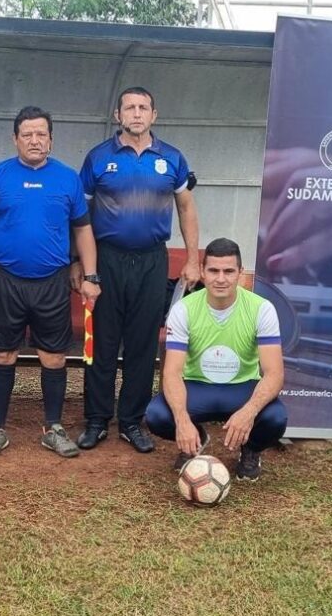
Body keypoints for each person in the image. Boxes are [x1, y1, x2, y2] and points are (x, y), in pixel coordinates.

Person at [0, 106, 100, 459]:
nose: (34, 140)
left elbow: (82, 230)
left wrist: (91, 276)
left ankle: (53, 428)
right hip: (7, 281)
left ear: (50, 139)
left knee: (53, 358)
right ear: (15, 139)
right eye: (27, 134)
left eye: (41, 134)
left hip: (52, 282)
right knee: (4, 355)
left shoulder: (68, 179)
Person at [74, 86, 200, 453]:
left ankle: (131, 421)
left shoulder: (172, 159)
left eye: (143, 107)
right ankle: (97, 420)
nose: (136, 113)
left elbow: (187, 209)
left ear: (154, 115)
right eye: (129, 107)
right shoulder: (98, 158)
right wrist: (80, 265)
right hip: (106, 259)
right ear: (118, 115)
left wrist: (193, 259)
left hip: (151, 260)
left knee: (144, 344)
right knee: (103, 342)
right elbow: (79, 217)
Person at [144, 238, 287, 480]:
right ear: (202, 272)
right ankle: (195, 441)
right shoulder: (184, 309)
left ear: (240, 274)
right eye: (213, 270)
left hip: (241, 388)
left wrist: (249, 411)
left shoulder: (262, 309)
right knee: (157, 416)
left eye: (229, 271)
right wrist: (182, 421)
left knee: (275, 418)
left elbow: (274, 374)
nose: (221, 279)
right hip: (197, 387)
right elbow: (171, 373)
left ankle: (250, 449)